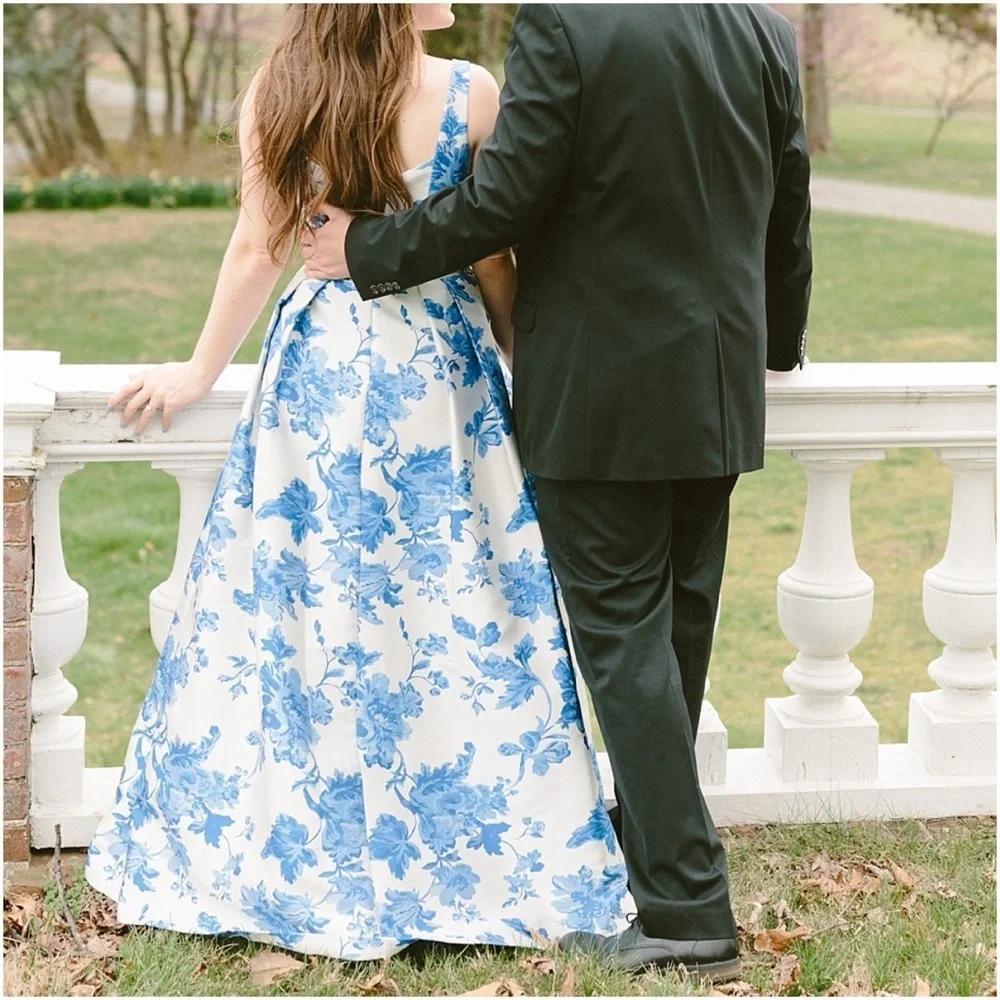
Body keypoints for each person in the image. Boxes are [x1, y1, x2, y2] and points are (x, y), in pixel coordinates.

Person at [87, 3, 635, 962]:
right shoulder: (469, 92)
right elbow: (493, 254)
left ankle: (319, 846)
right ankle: (467, 850)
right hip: (439, 372)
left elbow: (257, 247)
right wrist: (523, 364)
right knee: (454, 602)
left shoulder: (280, 87)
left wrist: (200, 371)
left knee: (317, 608)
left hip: (320, 380)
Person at [299, 1, 812, 978]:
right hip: (715, 386)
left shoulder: (564, 24)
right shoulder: (760, 24)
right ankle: (650, 845)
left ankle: (689, 906)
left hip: (603, 388)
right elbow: (789, 194)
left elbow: (503, 202)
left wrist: (366, 250)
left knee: (624, 643)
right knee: (670, 634)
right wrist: (777, 338)